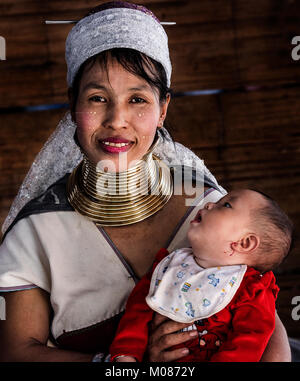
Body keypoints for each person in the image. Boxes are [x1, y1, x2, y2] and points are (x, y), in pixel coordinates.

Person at [0, 2, 291, 362]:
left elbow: (265, 320)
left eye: (137, 99)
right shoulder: (36, 231)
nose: (117, 119)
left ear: (163, 108)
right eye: (96, 98)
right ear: (73, 105)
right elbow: (17, 352)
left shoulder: (206, 205)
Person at [109, 189, 293, 362]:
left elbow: (249, 342)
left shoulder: (250, 289)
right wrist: (126, 353)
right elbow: (138, 311)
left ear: (244, 242)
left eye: (226, 205)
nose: (209, 204)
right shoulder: (169, 266)